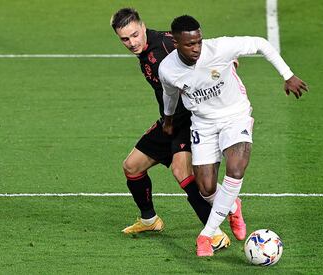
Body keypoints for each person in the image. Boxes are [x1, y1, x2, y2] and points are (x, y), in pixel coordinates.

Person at [159, 15, 308, 257]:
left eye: (199, 41)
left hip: (234, 115)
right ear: (176, 42)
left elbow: (261, 43)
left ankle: (206, 235)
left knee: (236, 169)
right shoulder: (167, 69)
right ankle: (232, 205)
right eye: (190, 44)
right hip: (203, 124)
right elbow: (170, 94)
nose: (197, 48)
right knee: (206, 188)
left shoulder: (219, 48)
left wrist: (287, 75)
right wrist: (167, 118)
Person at [110, 8, 231, 251]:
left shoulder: (165, 44)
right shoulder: (145, 52)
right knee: (132, 167)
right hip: (169, 122)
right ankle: (149, 220)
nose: (132, 42)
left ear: (143, 27)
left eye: (135, 35)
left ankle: (215, 233)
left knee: (181, 171)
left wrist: (226, 62)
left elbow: (199, 49)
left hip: (191, 119)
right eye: (125, 39)